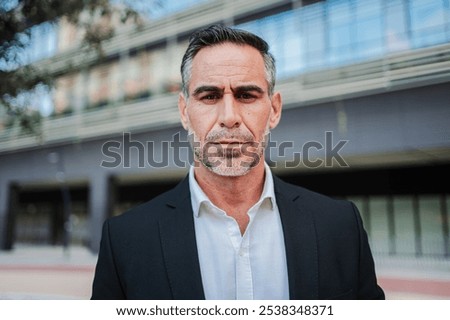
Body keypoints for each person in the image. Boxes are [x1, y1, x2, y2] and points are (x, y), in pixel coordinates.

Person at [91, 24, 385, 300]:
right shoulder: (124, 240)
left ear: (274, 110)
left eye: (246, 95)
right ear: (184, 112)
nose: (229, 117)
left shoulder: (340, 225)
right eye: (209, 96)